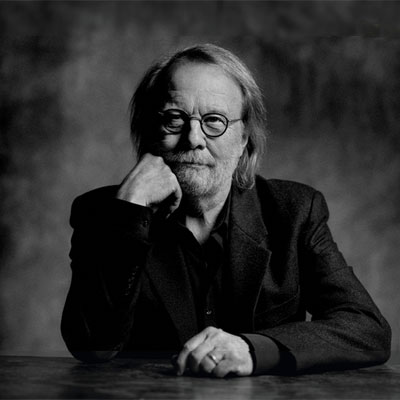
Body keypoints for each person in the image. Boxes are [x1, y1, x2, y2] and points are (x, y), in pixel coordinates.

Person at [61, 43, 391, 377]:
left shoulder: (294, 212)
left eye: (214, 121)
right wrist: (129, 213)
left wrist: (253, 349)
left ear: (244, 137)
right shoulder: (100, 213)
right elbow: (92, 346)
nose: (193, 138)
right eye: (174, 119)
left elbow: (366, 328)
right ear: (150, 130)